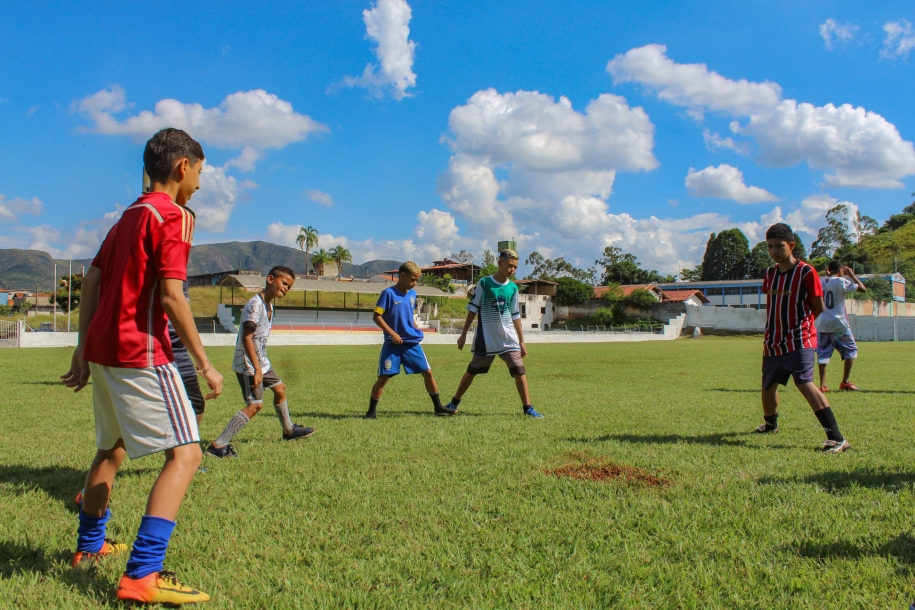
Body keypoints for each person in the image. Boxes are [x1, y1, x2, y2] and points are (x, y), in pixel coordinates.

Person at [61, 128, 224, 605]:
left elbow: (91, 282)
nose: (199, 183)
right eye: (200, 172)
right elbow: (173, 296)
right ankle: (143, 575)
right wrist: (205, 362)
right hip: (142, 353)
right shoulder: (172, 215)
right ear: (182, 167)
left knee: (111, 451)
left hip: (106, 352)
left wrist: (81, 347)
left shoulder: (127, 216)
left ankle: (89, 551)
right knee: (187, 455)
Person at [754, 223, 849, 452]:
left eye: (779, 246)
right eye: (770, 247)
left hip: (799, 339)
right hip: (773, 341)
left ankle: (837, 438)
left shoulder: (806, 272)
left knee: (804, 383)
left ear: (792, 245)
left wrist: (802, 328)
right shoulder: (770, 273)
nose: (774, 251)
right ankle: (770, 424)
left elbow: (817, 307)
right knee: (768, 387)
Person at [206, 266, 315, 457]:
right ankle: (218, 446)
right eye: (284, 283)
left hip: (261, 361)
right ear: (270, 279)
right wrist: (256, 369)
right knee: (255, 405)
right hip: (249, 363)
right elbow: (246, 337)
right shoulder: (255, 305)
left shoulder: (269, 305)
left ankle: (289, 431)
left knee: (280, 389)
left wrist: (261, 365)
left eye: (289, 287)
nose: (286, 289)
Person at [445, 249, 543, 418]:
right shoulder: (485, 283)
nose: (512, 270)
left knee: (519, 370)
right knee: (472, 370)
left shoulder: (513, 288)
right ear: (500, 263)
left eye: (515, 267)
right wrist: (463, 335)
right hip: (487, 338)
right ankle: (454, 402)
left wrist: (521, 341)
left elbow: (515, 315)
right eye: (509, 265)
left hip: (508, 338)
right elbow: (473, 309)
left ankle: (528, 408)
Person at [365, 261, 454, 419]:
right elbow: (376, 316)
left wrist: (414, 326)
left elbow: (408, 314)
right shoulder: (388, 294)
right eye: (413, 280)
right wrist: (392, 333)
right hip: (392, 345)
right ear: (402, 275)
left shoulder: (413, 295)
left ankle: (438, 407)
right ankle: (371, 412)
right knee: (383, 377)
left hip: (411, 343)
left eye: (417, 280)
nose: (415, 283)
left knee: (427, 372)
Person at [817, 260, 866, 392]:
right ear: (841, 271)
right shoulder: (841, 281)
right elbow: (862, 289)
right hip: (839, 324)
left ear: (828, 270)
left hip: (824, 323)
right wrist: (852, 275)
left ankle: (822, 386)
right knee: (851, 350)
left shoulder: (822, 281)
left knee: (822, 354)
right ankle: (845, 382)